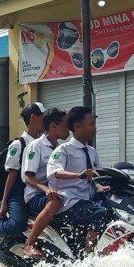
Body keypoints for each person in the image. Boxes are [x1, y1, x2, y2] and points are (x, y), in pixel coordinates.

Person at [0, 102, 47, 256]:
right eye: (43, 116)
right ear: (33, 118)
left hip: (36, 190)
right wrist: (4, 202)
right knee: (17, 223)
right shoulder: (19, 144)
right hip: (17, 191)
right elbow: (12, 174)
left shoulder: (44, 144)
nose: (47, 120)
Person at [46, 107, 110, 254]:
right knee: (98, 214)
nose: (95, 128)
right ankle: (89, 259)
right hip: (70, 202)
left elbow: (99, 174)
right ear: (78, 126)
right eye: (92, 124)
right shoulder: (63, 150)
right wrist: (79, 175)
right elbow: (55, 172)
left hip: (88, 199)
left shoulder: (92, 152)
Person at [20, 108, 69, 258]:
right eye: (65, 125)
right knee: (55, 202)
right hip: (36, 195)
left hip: (58, 192)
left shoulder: (62, 148)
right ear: (53, 126)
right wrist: (46, 189)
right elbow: (28, 177)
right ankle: (29, 244)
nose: (69, 129)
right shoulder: (36, 146)